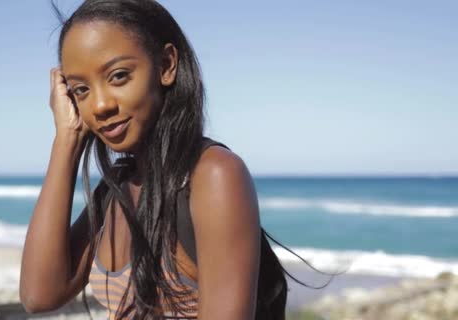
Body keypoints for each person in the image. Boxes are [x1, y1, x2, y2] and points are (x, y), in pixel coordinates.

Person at [20, 0, 292, 318]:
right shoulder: (117, 190)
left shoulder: (213, 175)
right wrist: (67, 140)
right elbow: (39, 295)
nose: (100, 105)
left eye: (118, 76)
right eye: (81, 90)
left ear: (166, 65)